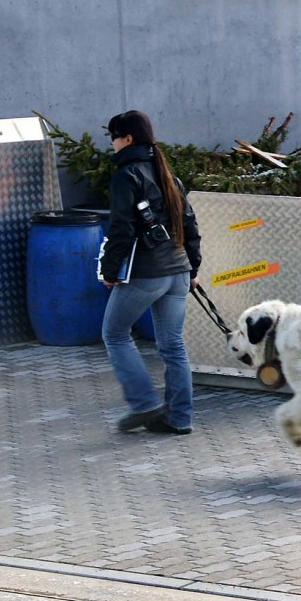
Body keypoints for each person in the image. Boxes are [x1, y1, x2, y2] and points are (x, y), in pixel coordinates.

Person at [99, 110, 202, 435]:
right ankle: (179, 418)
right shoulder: (167, 174)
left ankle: (143, 403)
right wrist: (194, 268)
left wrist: (110, 271)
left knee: (114, 334)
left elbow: (121, 229)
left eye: (113, 137)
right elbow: (189, 225)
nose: (112, 144)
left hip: (148, 272)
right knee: (173, 346)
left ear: (127, 138)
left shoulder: (126, 176)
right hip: (178, 271)